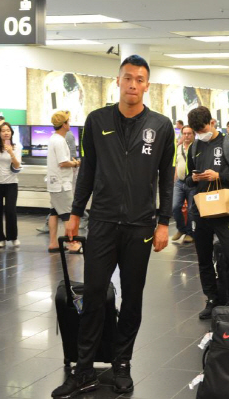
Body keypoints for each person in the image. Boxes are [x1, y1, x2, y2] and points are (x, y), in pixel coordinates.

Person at [51, 55, 175, 398]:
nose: (133, 84)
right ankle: (84, 369)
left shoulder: (161, 126)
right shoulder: (97, 120)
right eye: (128, 78)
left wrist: (164, 222)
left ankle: (123, 364)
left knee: (132, 298)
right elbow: (87, 170)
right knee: (93, 295)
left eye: (139, 79)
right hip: (102, 222)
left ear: (147, 85)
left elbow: (167, 179)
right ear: (117, 82)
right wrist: (75, 213)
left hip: (140, 227)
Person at [185, 106, 229, 317]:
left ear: (212, 122)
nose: (201, 134)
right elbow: (186, 179)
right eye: (196, 131)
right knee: (203, 257)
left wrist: (218, 176)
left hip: (225, 209)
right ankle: (211, 298)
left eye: (202, 129)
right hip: (201, 209)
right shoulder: (194, 147)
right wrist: (192, 179)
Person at [46, 111, 82, 254]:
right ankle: (72, 244)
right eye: (68, 121)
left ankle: (53, 243)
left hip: (55, 183)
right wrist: (76, 164)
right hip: (62, 184)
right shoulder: (60, 141)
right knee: (68, 214)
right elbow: (63, 162)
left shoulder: (54, 139)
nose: (70, 123)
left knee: (54, 213)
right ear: (64, 124)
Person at [0, 119, 22, 248]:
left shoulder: (17, 146)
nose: (6, 133)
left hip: (11, 183)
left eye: (8, 130)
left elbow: (18, 166)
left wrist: (11, 152)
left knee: (10, 210)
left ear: (11, 133)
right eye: (3, 130)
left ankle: (13, 237)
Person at [171, 125, 196, 244]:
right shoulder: (178, 148)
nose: (186, 136)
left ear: (193, 134)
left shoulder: (197, 147)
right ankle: (181, 229)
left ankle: (189, 233)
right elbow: (176, 162)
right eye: (184, 133)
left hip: (192, 183)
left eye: (189, 133)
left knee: (191, 209)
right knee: (175, 207)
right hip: (179, 183)